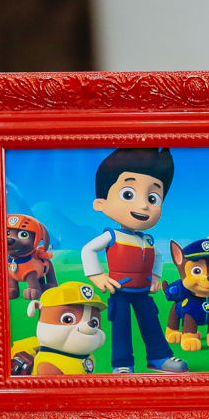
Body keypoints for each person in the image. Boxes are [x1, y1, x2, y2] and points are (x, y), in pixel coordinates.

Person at [81, 148, 187, 373]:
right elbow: (88, 250)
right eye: (128, 194)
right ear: (100, 203)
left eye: (153, 198)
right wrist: (97, 275)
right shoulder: (112, 235)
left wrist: (156, 276)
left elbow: (157, 256)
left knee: (151, 322)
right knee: (121, 327)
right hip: (120, 290)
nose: (143, 206)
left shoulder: (146, 239)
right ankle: (122, 364)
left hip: (143, 291)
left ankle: (159, 357)